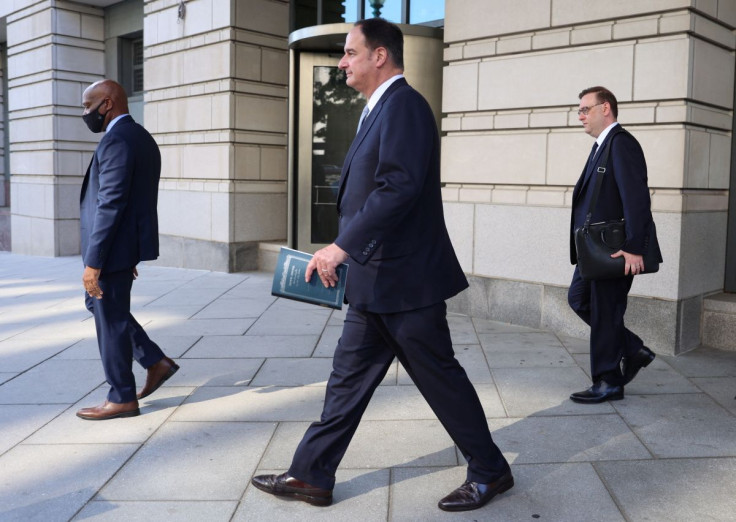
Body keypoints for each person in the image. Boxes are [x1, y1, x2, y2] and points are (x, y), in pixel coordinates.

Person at [251, 19, 513, 512]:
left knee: (440, 380)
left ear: (380, 56)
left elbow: (399, 187)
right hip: (376, 282)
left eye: (350, 53)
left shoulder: (405, 106)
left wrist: (341, 247)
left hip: (405, 282)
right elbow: (373, 193)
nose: (341, 62)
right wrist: (344, 245)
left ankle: (491, 470)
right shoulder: (379, 109)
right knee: (346, 381)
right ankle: (311, 476)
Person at [76, 79, 179, 421]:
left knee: (109, 315)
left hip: (113, 247)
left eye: (88, 106)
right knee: (103, 306)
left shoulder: (117, 140)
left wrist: (95, 260)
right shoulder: (140, 136)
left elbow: (112, 203)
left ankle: (121, 396)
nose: (85, 113)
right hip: (122, 246)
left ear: (107, 104)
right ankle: (154, 360)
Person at [568, 86, 661, 404]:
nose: (580, 115)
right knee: (579, 299)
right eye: (579, 110)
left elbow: (636, 198)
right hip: (595, 251)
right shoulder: (601, 146)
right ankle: (632, 349)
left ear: (605, 108)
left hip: (615, 249)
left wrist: (635, 246)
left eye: (585, 109)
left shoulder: (621, 144)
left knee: (606, 312)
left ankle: (608, 381)